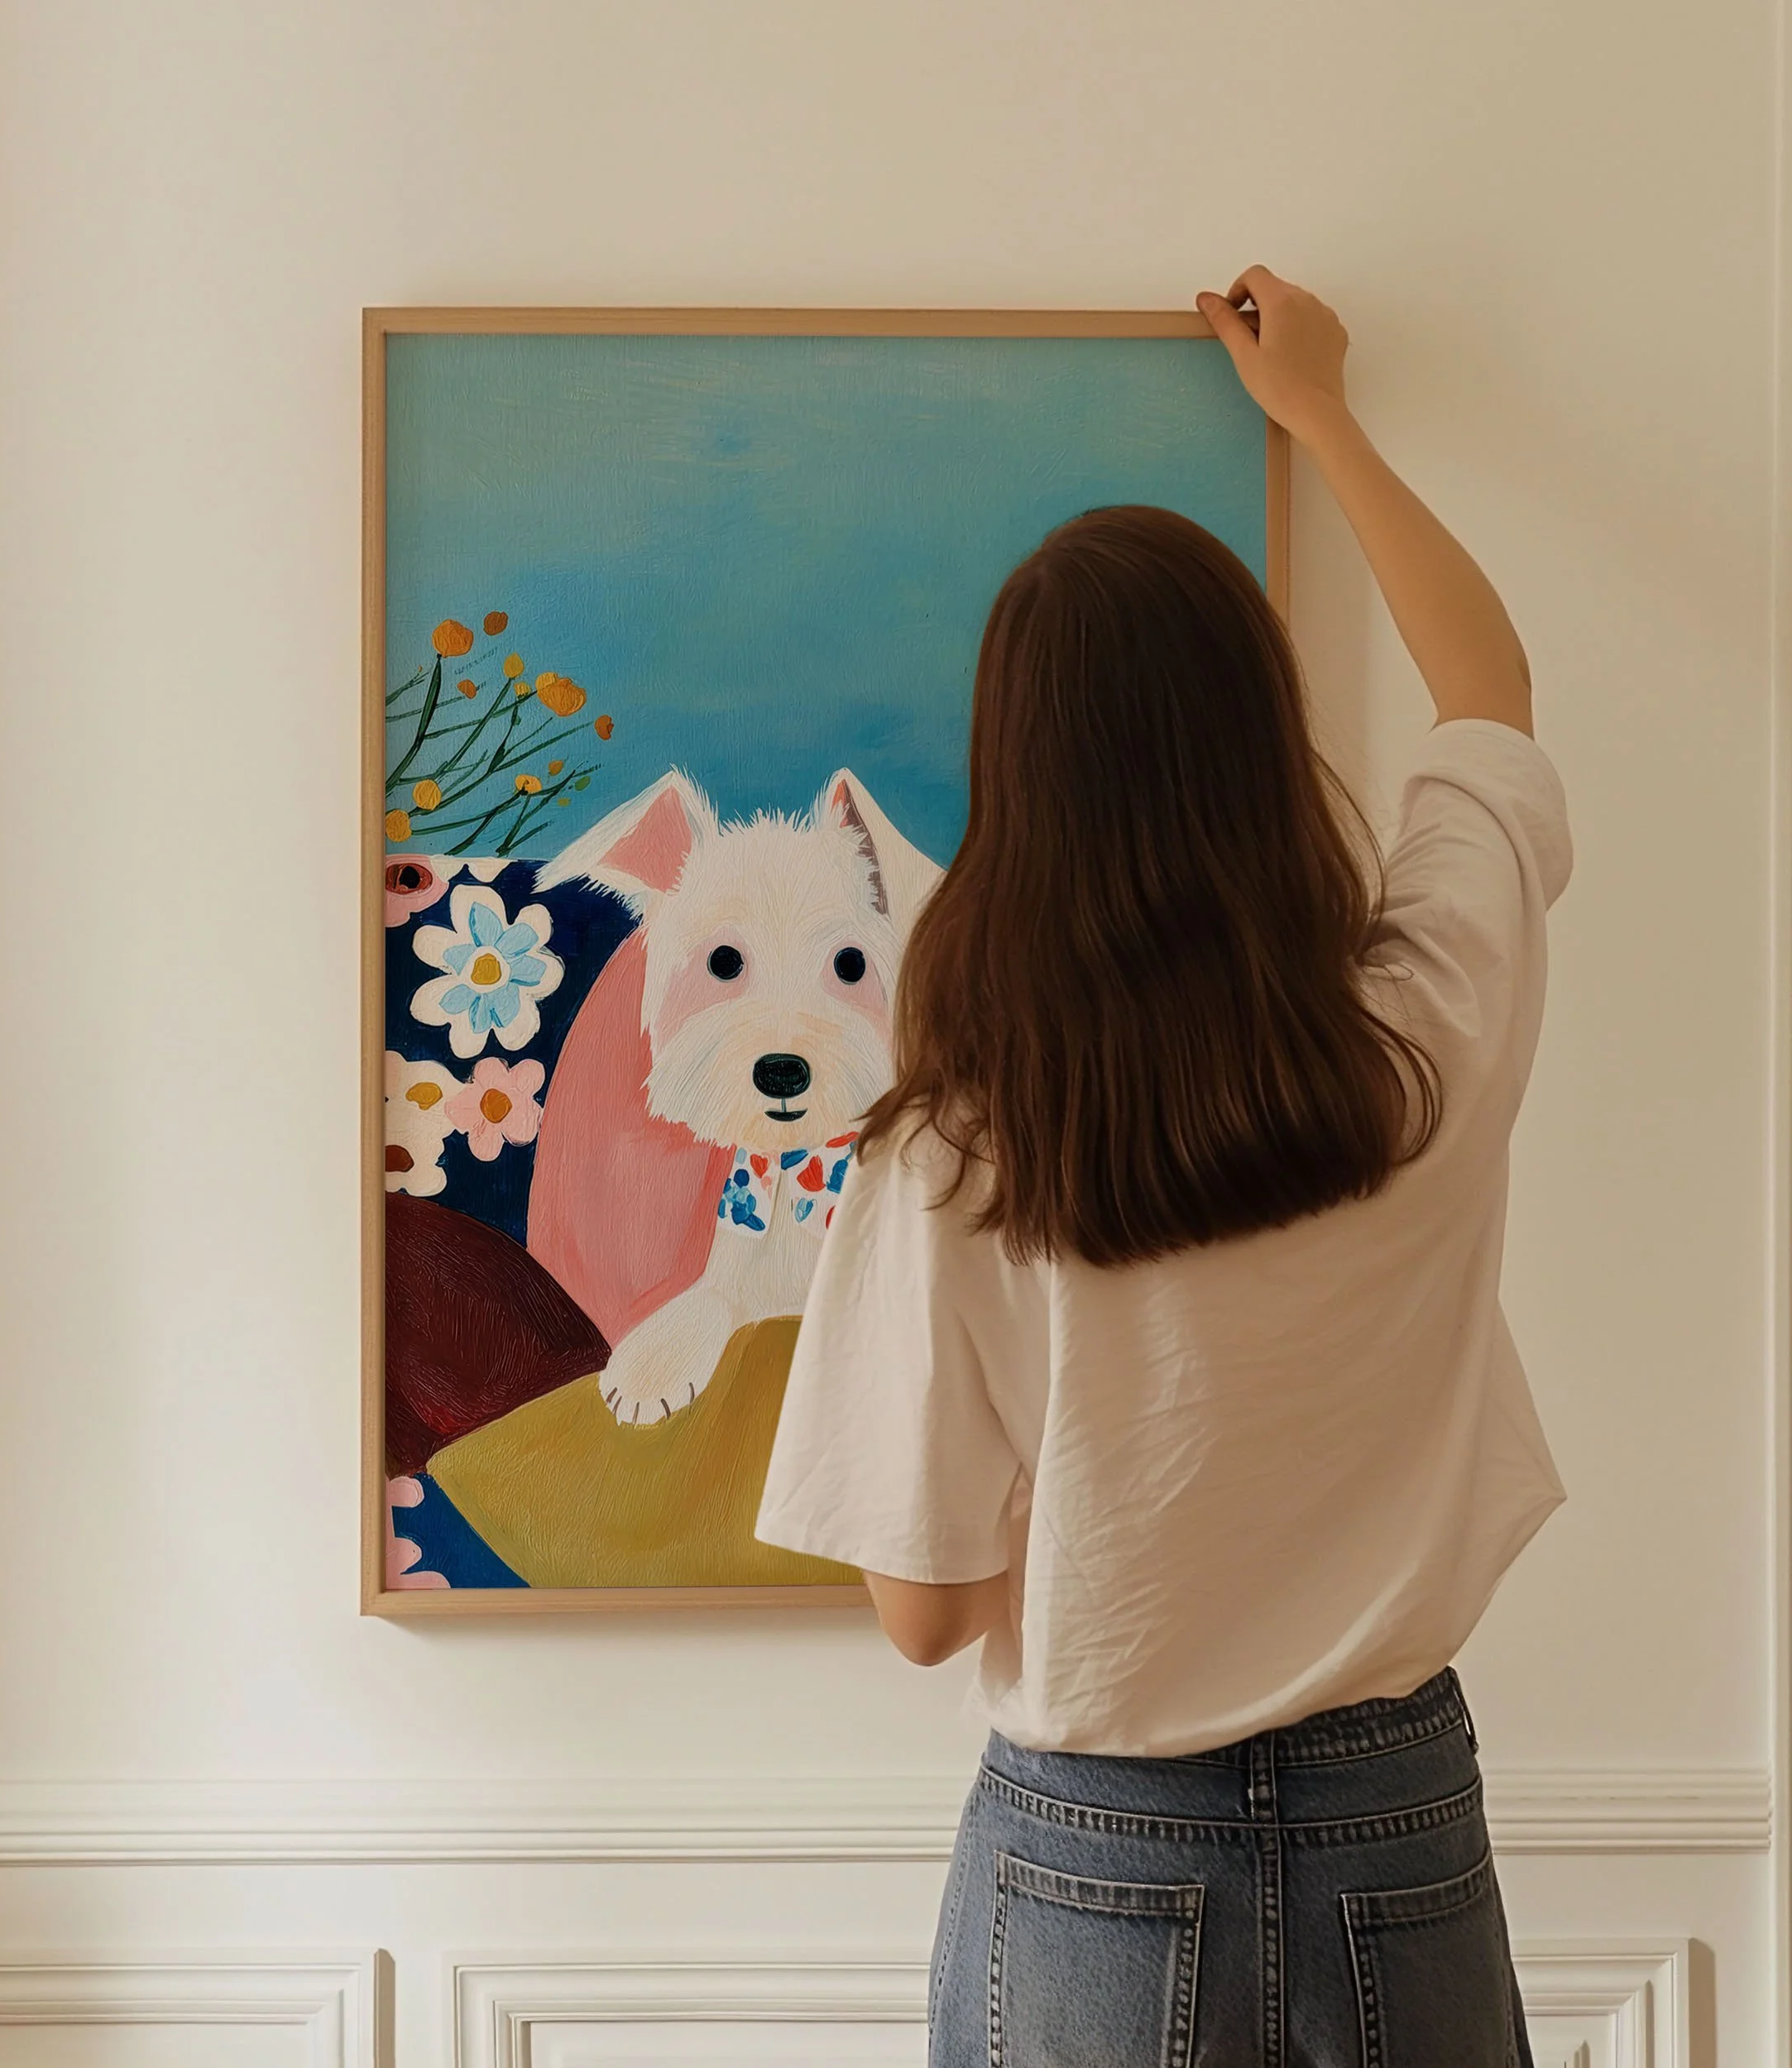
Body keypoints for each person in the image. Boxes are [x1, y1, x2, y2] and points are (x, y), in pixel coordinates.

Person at [755, 266, 1566, 2068]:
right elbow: (1489, 695)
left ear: (1014, 785)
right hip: (1395, 1826)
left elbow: (921, 1613)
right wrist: (1320, 414)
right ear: (1265, 741)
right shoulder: (1424, 1026)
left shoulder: (954, 1152)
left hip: (1092, 1860)